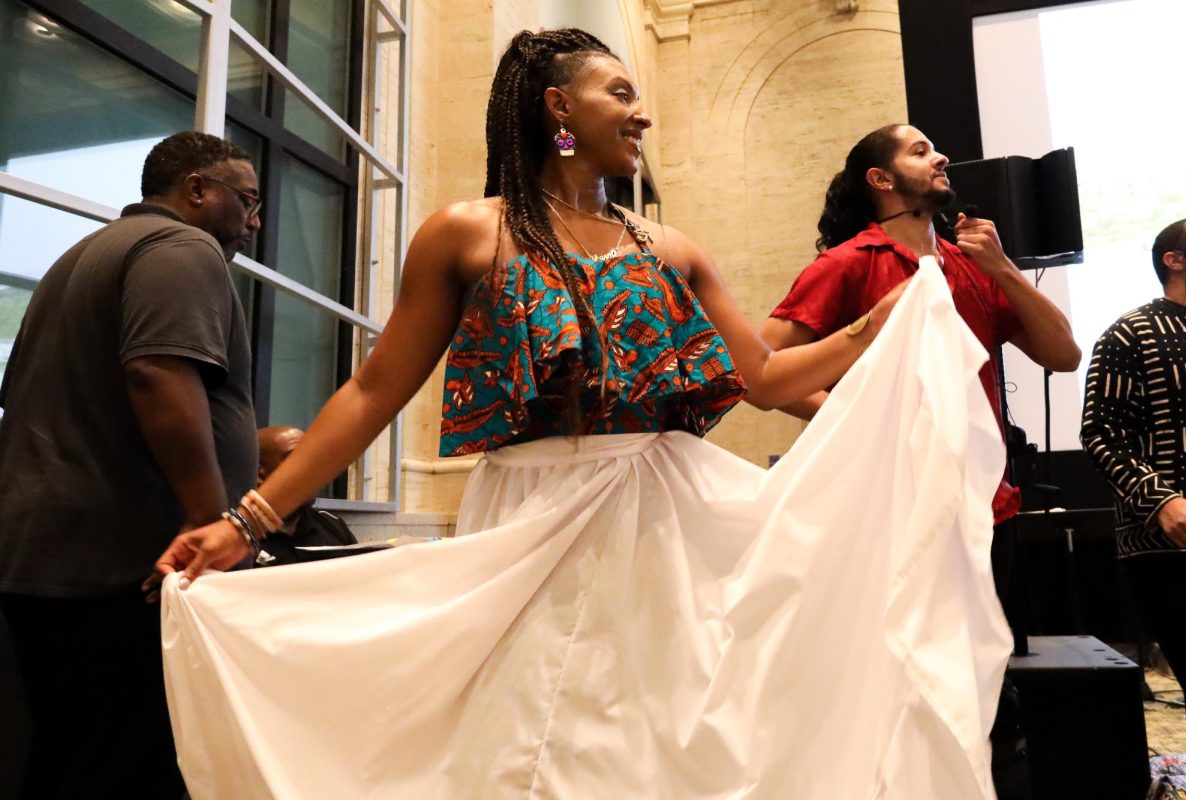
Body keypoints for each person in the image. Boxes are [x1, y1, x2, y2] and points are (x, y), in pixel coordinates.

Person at [149, 31, 1010, 799]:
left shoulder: (669, 249)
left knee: (657, 735)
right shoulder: (467, 233)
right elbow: (375, 390)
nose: (642, 118)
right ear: (560, 106)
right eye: (623, 95)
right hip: (533, 517)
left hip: (665, 522)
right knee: (534, 736)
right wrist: (249, 519)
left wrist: (870, 327)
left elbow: (767, 379)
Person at [0, 131, 261, 798]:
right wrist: (215, 521)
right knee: (131, 771)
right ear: (197, 190)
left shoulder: (81, 257)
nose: (254, 225)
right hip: (127, 568)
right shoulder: (181, 247)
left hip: (52, 559)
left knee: (65, 763)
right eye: (247, 201)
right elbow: (157, 373)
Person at [760, 123, 1081, 525]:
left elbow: (1065, 355)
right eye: (920, 151)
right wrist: (847, 414)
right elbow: (756, 371)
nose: (941, 157)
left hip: (982, 505)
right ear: (880, 179)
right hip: (889, 508)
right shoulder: (846, 264)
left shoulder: (974, 266)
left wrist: (1004, 268)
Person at [1081, 215, 1186, 747]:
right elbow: (1101, 433)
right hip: (1172, 544)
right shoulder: (1133, 332)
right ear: (1175, 259)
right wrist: (1163, 503)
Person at [252, 426, 357, 565]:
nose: (310, 469)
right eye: (295, 459)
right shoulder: (239, 538)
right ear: (260, 473)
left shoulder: (332, 526)